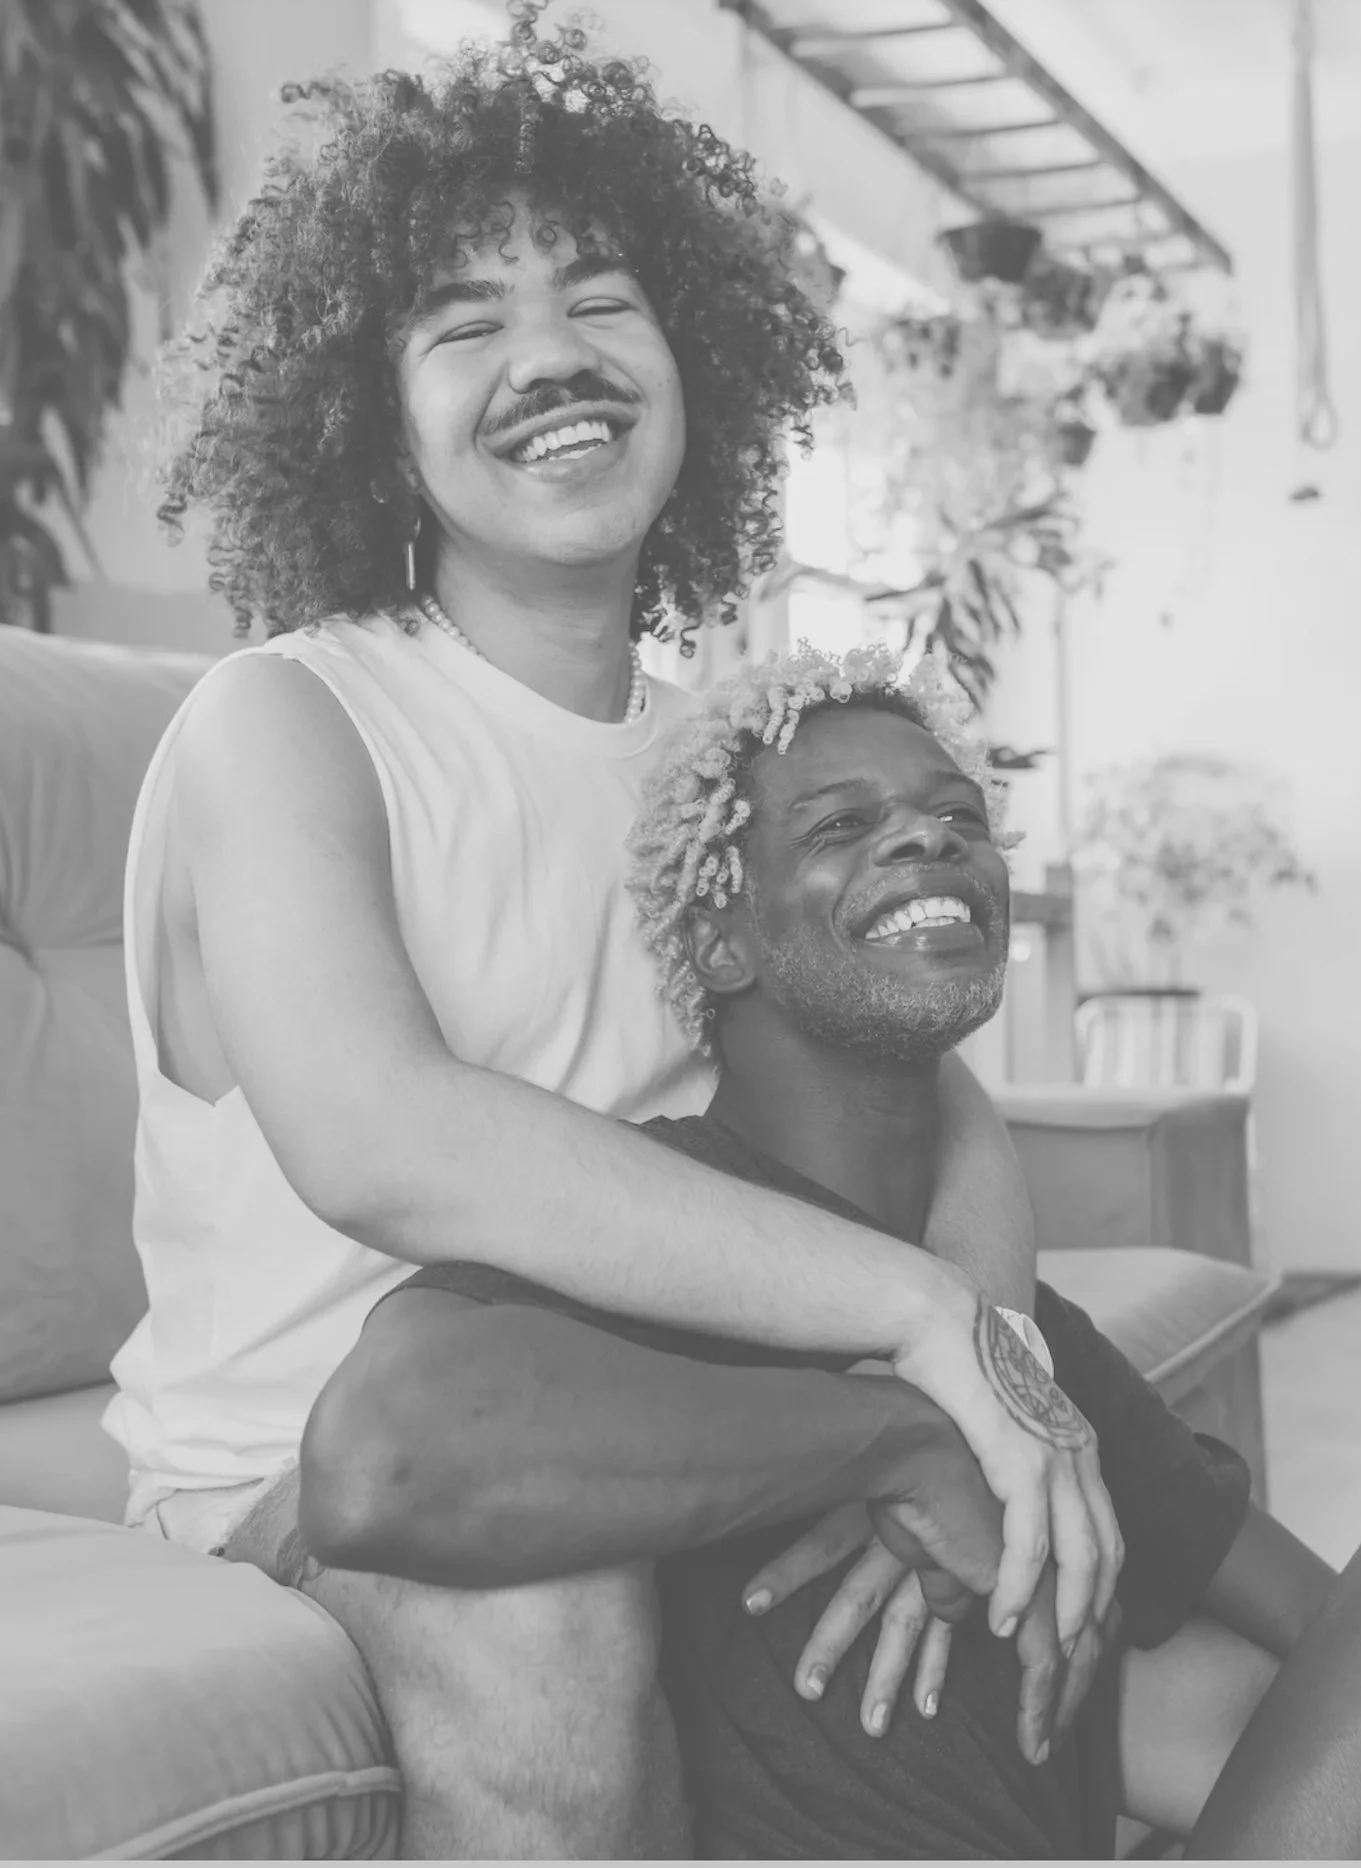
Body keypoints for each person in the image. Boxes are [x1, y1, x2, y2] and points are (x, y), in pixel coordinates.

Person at [110, 6, 1118, 1856]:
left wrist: (985, 1368)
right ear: (368, 408)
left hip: (675, 1405)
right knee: (546, 1587)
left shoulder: (710, 754)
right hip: (343, 1464)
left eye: (600, 298)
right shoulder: (284, 724)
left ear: (695, 354)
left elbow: (938, 1094)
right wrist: (907, 1323)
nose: (547, 359)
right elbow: (385, 1143)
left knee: (1135, 1623)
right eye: (462, 323)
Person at [301, 645, 1361, 1859]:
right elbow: (376, 1460)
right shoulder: (666, 1227)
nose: (927, 840)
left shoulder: (1016, 1344)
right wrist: (895, 1447)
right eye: (843, 824)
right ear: (724, 944)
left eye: (957, 817)